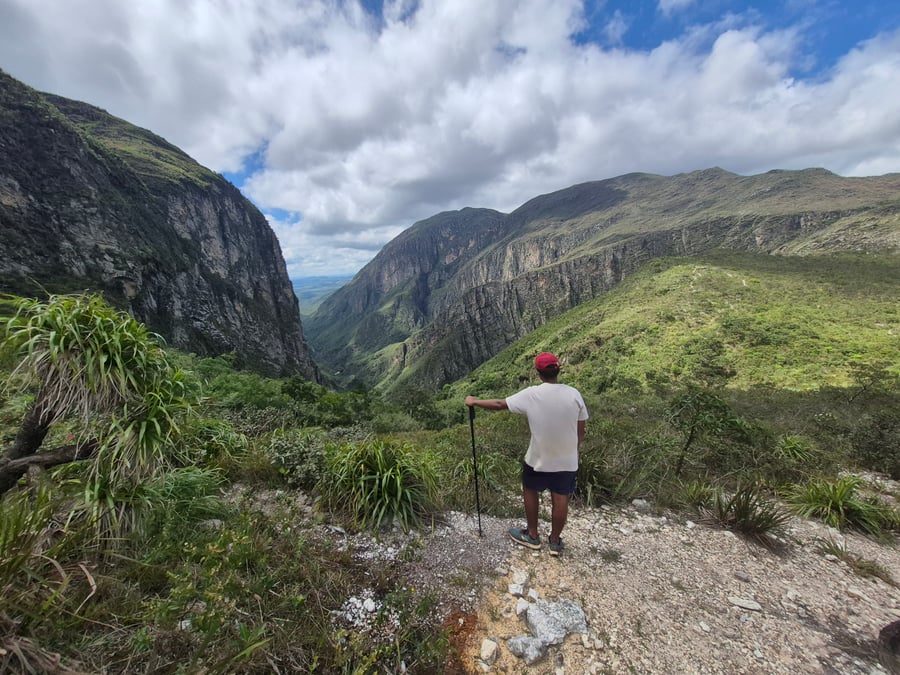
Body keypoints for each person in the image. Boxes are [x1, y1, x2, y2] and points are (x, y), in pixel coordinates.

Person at [465, 352, 588, 557]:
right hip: (567, 458)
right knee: (561, 498)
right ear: (558, 370)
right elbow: (580, 430)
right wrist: (574, 451)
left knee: (530, 489)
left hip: (538, 457)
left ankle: (532, 535)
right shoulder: (574, 394)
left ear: (538, 373)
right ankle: (555, 541)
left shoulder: (532, 394)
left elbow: (499, 405)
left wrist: (474, 401)